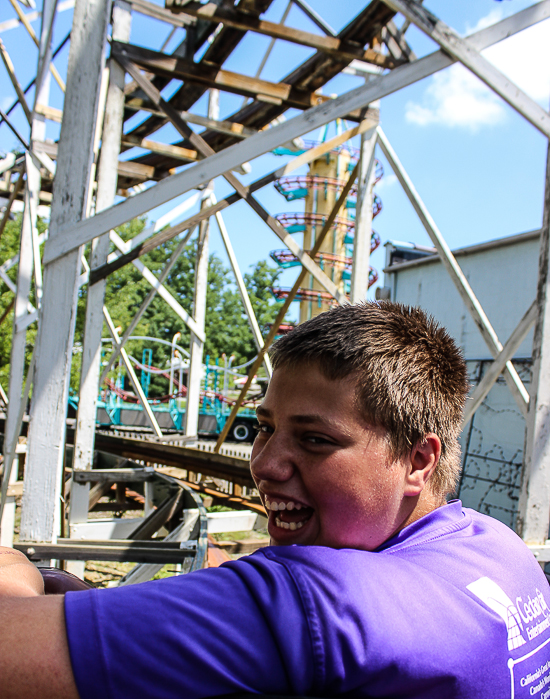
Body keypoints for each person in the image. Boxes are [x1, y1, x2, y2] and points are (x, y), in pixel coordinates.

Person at [0, 301, 549, 699]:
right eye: (263, 428)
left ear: (418, 460)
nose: (262, 464)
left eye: (315, 440)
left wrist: (18, 570)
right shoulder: (498, 547)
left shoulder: (316, 601)